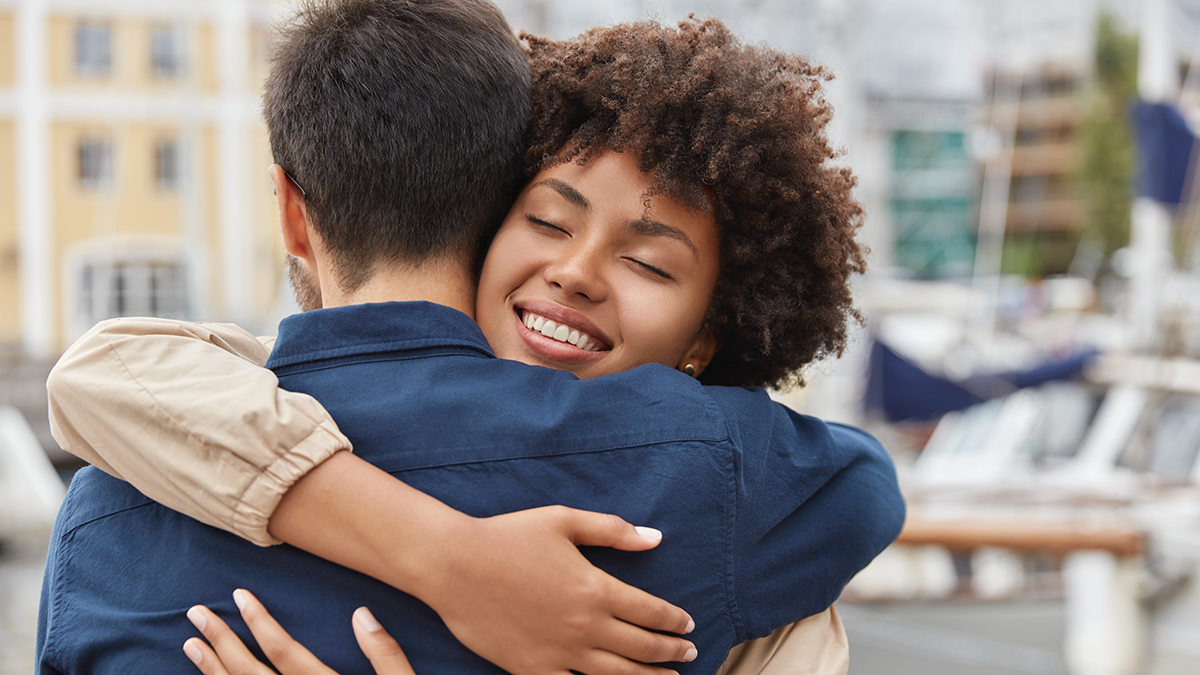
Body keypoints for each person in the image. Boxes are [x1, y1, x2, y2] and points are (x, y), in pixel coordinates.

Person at [40, 4, 904, 675]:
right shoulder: (730, 488)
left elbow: (108, 376)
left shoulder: (110, 510)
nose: (576, 273)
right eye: (549, 221)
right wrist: (445, 558)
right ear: (486, 210)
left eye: (649, 263)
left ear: (292, 211)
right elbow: (865, 487)